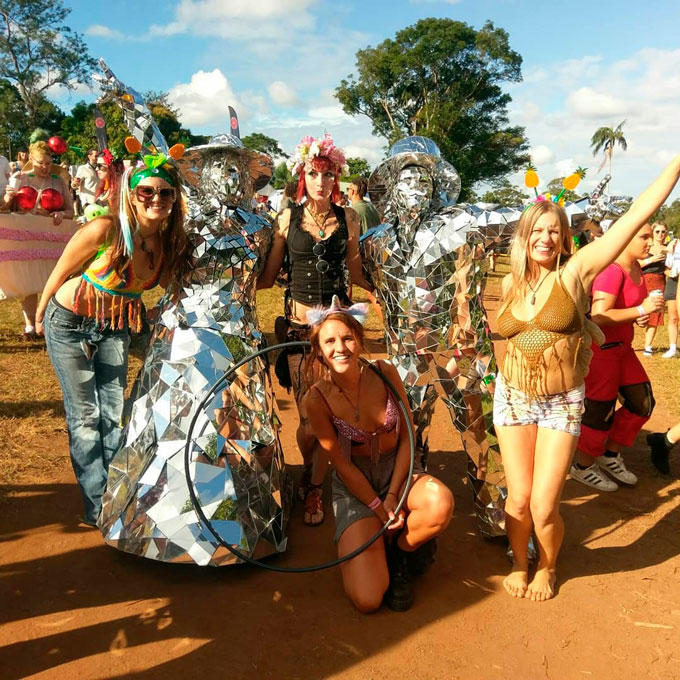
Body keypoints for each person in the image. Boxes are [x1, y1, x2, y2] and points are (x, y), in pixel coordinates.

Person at [495, 153, 680, 602]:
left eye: (553, 230)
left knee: (543, 505)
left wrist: (675, 165)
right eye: (536, 230)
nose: (545, 237)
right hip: (513, 398)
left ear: (563, 238)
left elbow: (636, 215)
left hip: (560, 403)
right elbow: (503, 338)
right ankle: (521, 563)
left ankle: (549, 567)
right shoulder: (508, 284)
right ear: (524, 235)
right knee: (518, 500)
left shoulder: (576, 271)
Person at [362, 136, 505, 538]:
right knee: (405, 441)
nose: (416, 188)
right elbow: (369, 284)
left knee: (482, 434)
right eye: (406, 179)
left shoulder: (462, 224)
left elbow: (523, 220)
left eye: (424, 180)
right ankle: (407, 523)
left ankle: (498, 520)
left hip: (462, 352)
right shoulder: (374, 242)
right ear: (390, 186)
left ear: (437, 186)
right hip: (406, 359)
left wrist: (577, 208)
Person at [34, 154, 188, 526]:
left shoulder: (165, 246)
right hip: (68, 323)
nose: (157, 199)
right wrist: (40, 314)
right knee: (86, 417)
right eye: (147, 191)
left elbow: (173, 290)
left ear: (174, 199)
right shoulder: (105, 229)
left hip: (114, 328)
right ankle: (98, 505)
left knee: (113, 415)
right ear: (132, 194)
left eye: (166, 193)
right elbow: (61, 270)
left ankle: (113, 493)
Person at [305, 298, 453, 612]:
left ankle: (401, 551)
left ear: (359, 340)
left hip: (396, 472)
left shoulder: (384, 372)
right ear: (319, 349)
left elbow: (408, 439)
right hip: (356, 486)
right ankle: (372, 540)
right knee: (368, 599)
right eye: (329, 341)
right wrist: (377, 506)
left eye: (347, 337)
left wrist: (394, 496)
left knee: (440, 503)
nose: (340, 347)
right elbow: (341, 463)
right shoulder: (316, 399)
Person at [258, 133, 373, 527]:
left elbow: (356, 272)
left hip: (338, 332)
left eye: (328, 174)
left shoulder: (350, 218)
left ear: (337, 178)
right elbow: (269, 273)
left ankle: (314, 483)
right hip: (297, 328)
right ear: (301, 176)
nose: (321, 181)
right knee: (308, 419)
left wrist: (390, 290)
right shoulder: (287, 217)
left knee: (335, 411)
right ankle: (313, 468)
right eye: (313, 173)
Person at [571, 222, 664, 491]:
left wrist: (641, 317)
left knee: (642, 403)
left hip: (624, 350)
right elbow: (598, 315)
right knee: (599, 413)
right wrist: (639, 310)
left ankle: (608, 455)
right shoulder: (611, 271)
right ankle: (583, 466)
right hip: (603, 353)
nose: (651, 242)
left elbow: (629, 310)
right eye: (644, 237)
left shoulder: (636, 266)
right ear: (625, 237)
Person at [2, 139, 74, 339]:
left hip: (49, 235)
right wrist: (9, 197)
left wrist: (61, 215)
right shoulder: (20, 178)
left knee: (52, 279)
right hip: (25, 235)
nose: (44, 167)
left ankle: (51, 321)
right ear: (31, 160)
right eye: (40, 163)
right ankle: (30, 326)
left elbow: (70, 210)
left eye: (48, 163)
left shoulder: (58, 181)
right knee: (28, 281)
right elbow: (5, 209)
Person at [639, 221, 668, 355]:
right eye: (657, 231)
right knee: (639, 313)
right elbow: (636, 264)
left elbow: (667, 269)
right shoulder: (646, 247)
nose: (660, 234)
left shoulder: (668, 249)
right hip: (643, 281)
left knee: (655, 314)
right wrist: (652, 259)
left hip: (659, 282)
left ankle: (648, 346)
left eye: (663, 232)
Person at [662, 235, 680, 358]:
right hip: (674, 282)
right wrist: (671, 273)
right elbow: (666, 268)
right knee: (673, 318)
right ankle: (673, 348)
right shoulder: (674, 244)